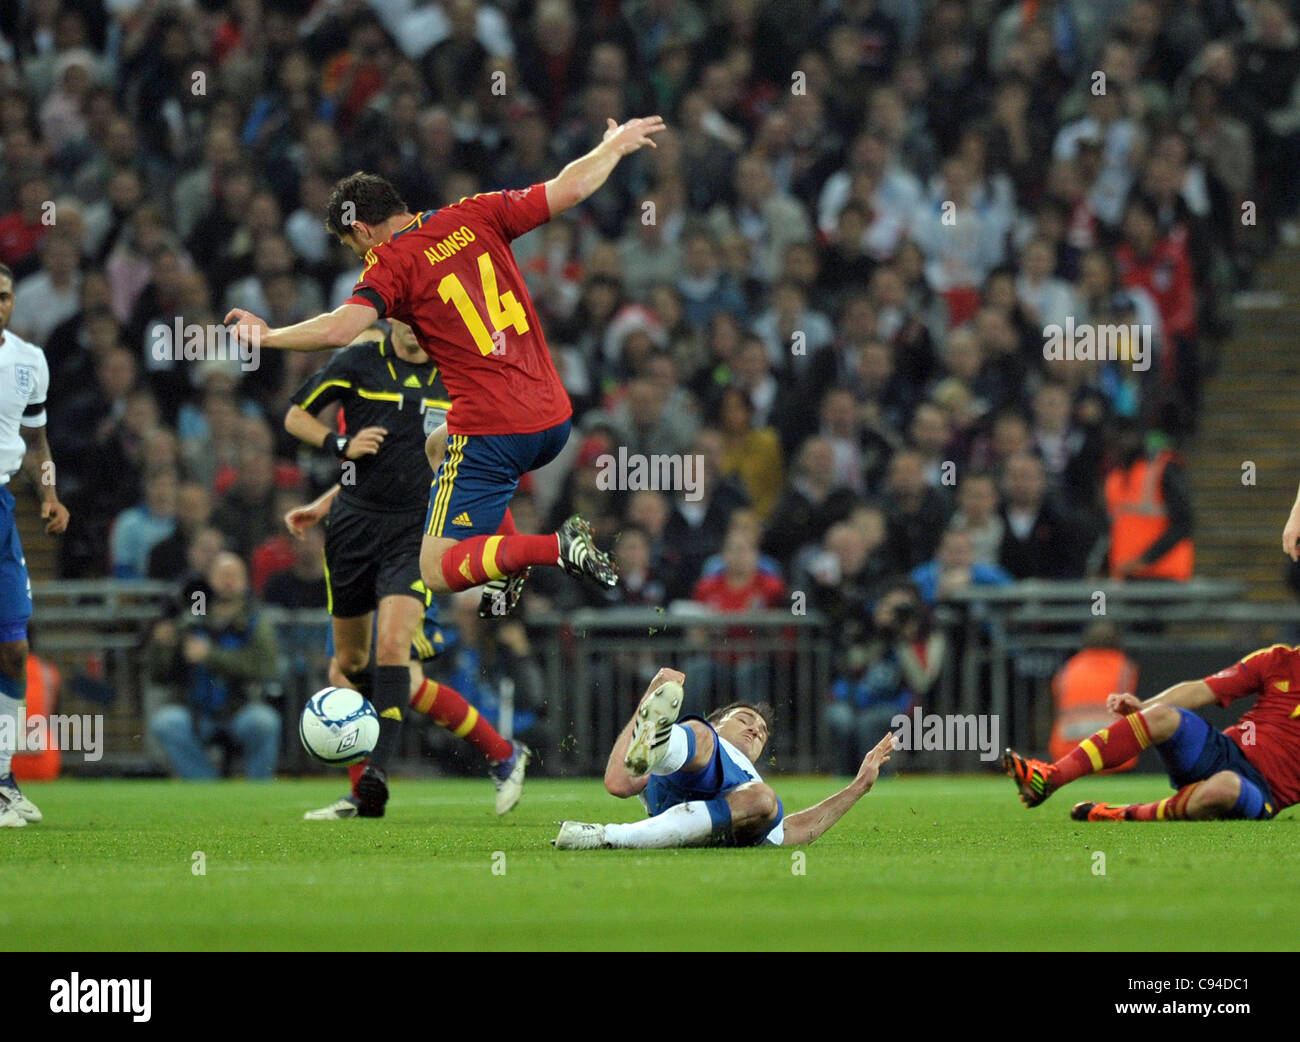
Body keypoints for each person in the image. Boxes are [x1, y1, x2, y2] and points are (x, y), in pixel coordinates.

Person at [226, 122, 669, 810]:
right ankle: (503, 575)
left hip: (493, 428)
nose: (356, 255)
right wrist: (611, 148)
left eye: (350, 244)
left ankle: (554, 548)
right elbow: (569, 185)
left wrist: (269, 333)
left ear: (363, 231)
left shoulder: (389, 264)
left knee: (436, 567)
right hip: (551, 420)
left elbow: (343, 327)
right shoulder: (475, 211)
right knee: (439, 446)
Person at [283, 320, 529, 817]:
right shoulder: (359, 362)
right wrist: (332, 477)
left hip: (418, 535)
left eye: (424, 317)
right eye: (407, 316)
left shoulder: (458, 374)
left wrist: (508, 543)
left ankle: (375, 774)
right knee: (351, 669)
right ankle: (502, 755)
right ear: (391, 313)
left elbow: (469, 466)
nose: (417, 327)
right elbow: (310, 426)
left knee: (394, 651)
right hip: (355, 529)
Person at [553, 668, 897, 849]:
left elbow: (796, 830)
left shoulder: (753, 781)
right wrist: (652, 694)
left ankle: (605, 835)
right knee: (700, 738)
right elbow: (618, 782)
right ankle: (661, 741)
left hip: (728, 811)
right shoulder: (711, 736)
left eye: (762, 731)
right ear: (719, 720)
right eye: (745, 719)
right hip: (686, 769)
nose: (755, 729)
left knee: (764, 800)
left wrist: (859, 786)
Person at [1002, 642, 1300, 821]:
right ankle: (1050, 778)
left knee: (1224, 788)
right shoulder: (1279, 660)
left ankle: (1125, 813)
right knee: (1159, 716)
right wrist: (1145, 705)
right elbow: (1201, 689)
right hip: (1225, 752)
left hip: (1263, 793)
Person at [0, 262, 71, 828]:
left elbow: (38, 439)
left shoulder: (29, 360)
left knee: (15, 650)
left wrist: (49, 494)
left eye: (4, 297)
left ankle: (1, 780)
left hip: (3, 507)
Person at [146, 552, 280, 781]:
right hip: (195, 711)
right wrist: (162, 646)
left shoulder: (255, 621)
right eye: (222, 575)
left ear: (245, 581)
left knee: (264, 721)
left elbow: (266, 667)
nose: (228, 581)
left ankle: (260, 792)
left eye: (234, 575)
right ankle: (205, 786)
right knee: (166, 722)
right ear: (208, 580)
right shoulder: (190, 619)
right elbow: (159, 674)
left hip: (241, 710)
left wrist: (211, 656)